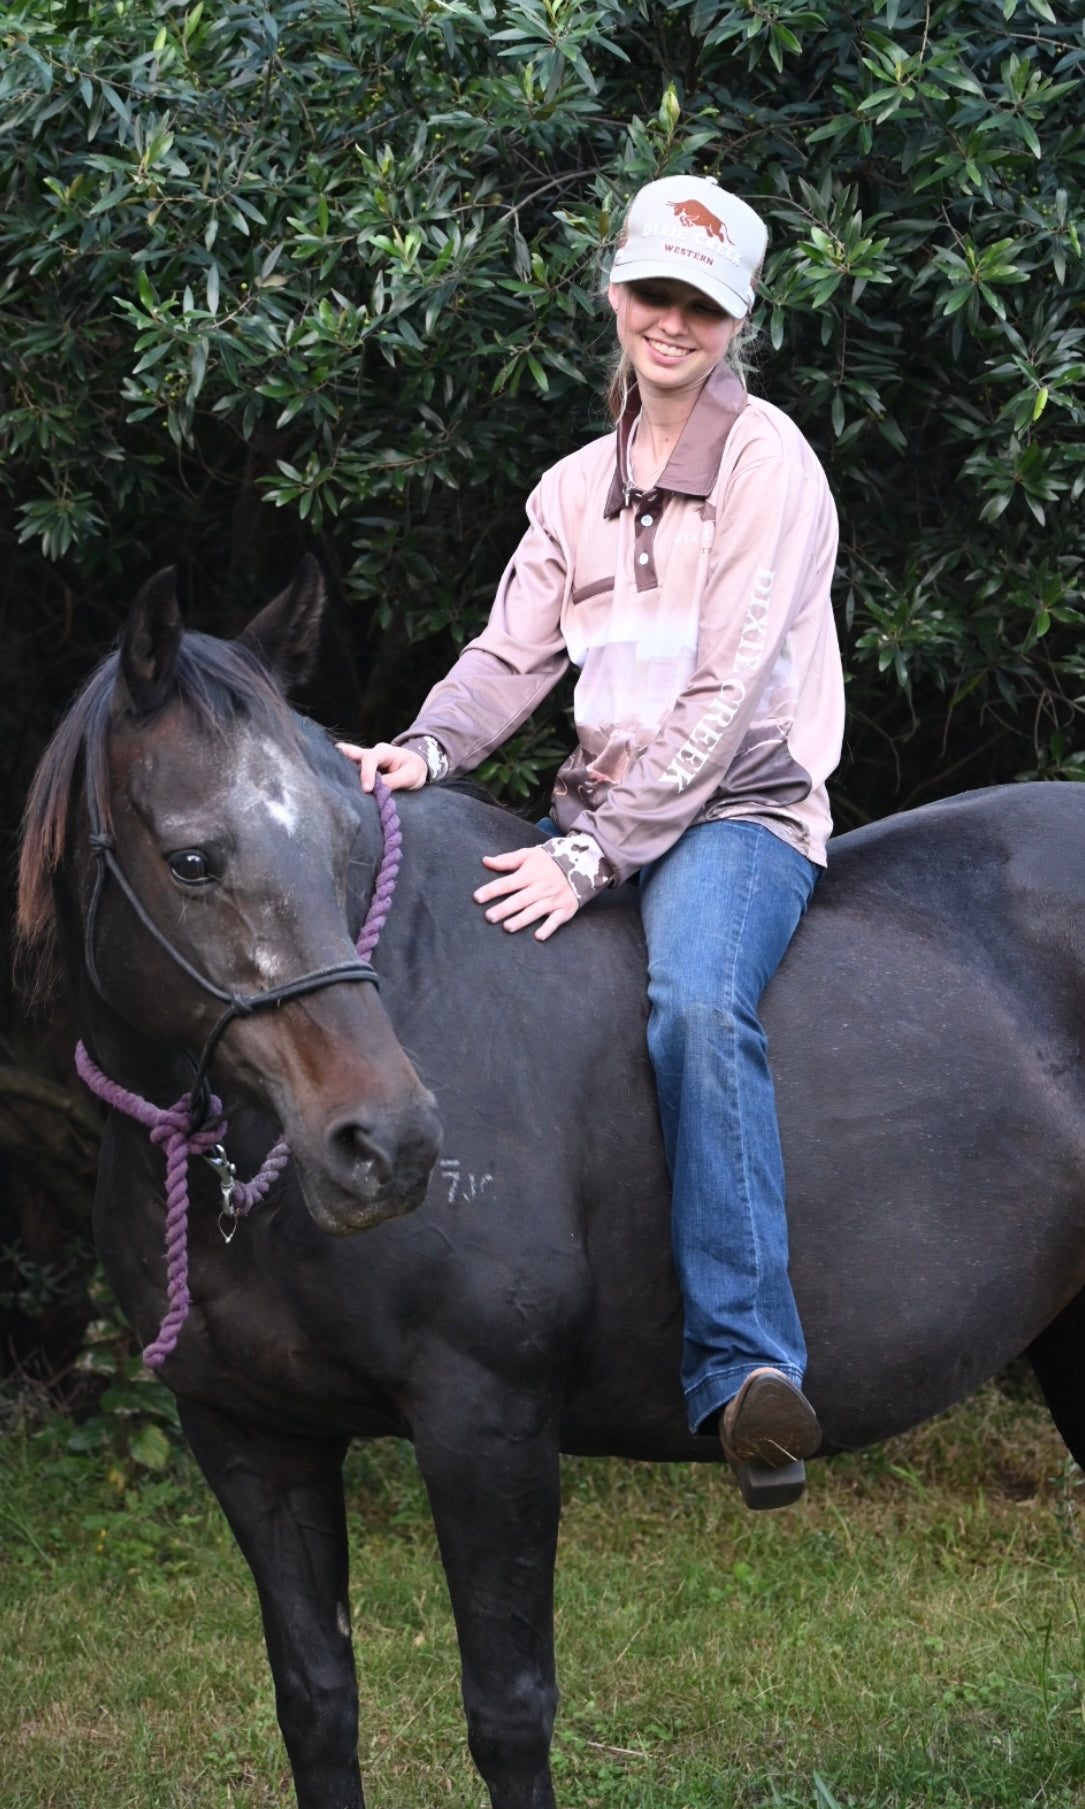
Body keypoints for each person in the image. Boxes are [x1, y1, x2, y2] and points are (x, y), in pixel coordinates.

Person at [339, 174, 845, 1508]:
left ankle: (746, 1368)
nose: (669, 321)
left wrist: (588, 856)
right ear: (613, 295)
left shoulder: (767, 464)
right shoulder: (574, 487)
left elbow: (724, 697)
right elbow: (509, 655)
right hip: (601, 811)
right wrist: (428, 750)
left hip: (735, 815)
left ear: (733, 322)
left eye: (700, 304)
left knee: (691, 1004)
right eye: (651, 294)